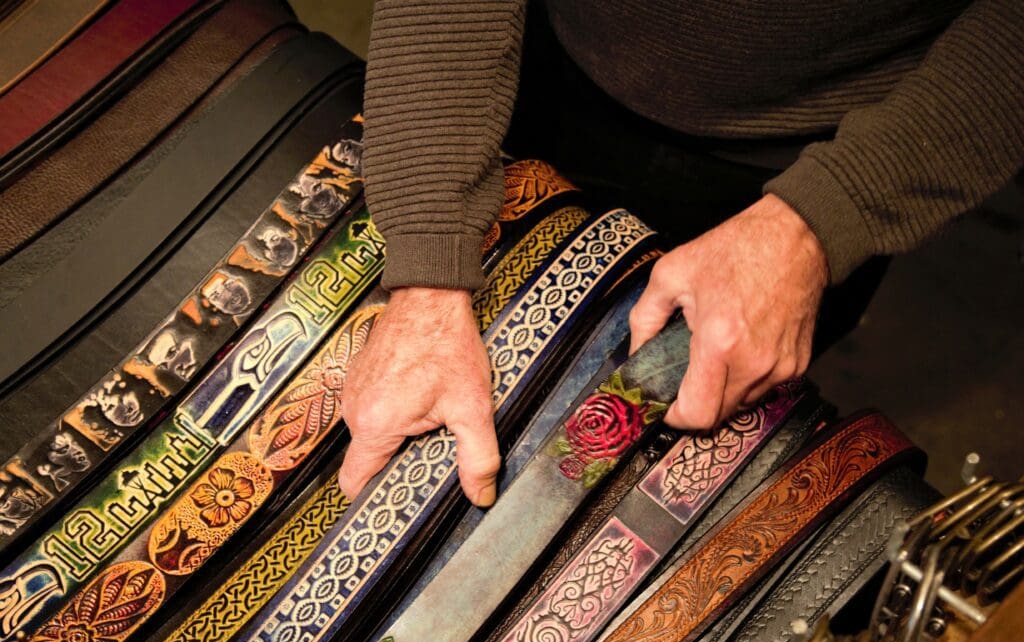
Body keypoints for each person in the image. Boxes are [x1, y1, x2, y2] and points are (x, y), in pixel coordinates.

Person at [338, 0, 1024, 507]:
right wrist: (428, 255)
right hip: (552, 64)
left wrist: (827, 216)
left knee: (676, 461)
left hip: (827, 147)